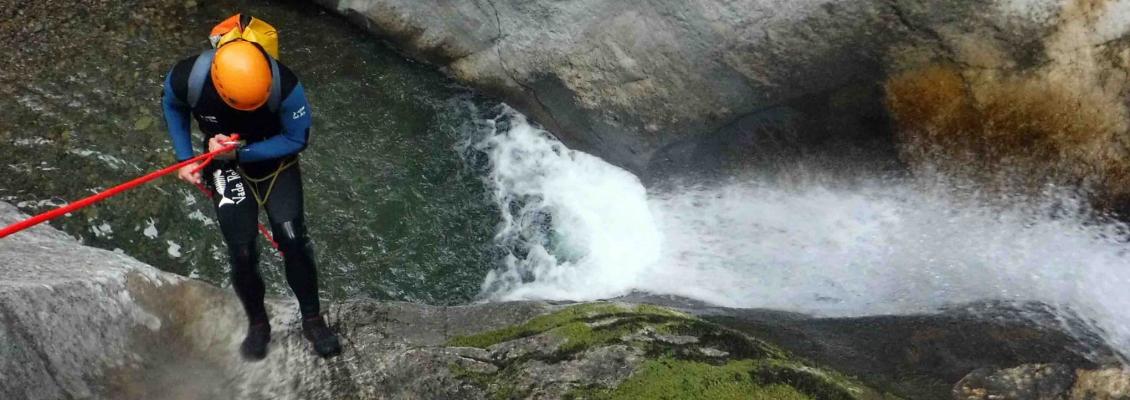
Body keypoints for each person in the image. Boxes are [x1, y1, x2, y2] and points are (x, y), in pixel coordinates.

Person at [160, 14, 341, 360]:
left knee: (292, 238)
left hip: (274, 164)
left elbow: (297, 138)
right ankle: (258, 324)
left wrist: (242, 151)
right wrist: (186, 159)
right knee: (241, 250)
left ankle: (312, 319)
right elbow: (172, 103)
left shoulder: (284, 85)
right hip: (224, 166)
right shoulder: (191, 78)